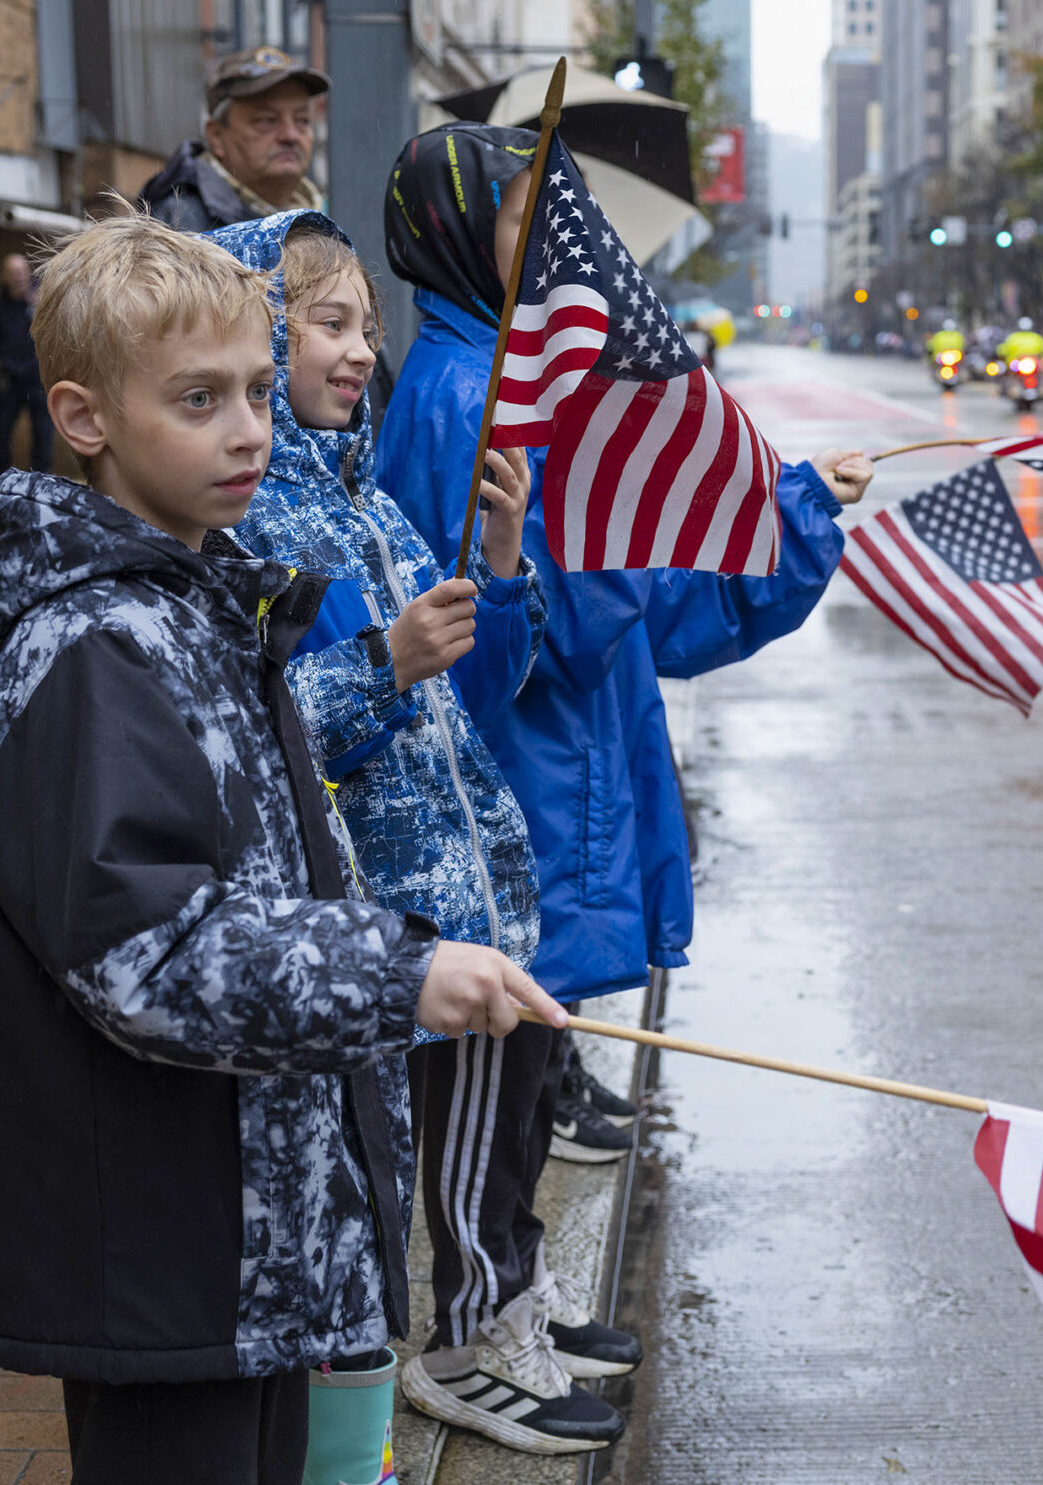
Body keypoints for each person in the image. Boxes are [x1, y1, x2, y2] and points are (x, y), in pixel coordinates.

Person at [0, 208, 563, 1485]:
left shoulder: (195, 610)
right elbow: (144, 950)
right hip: (165, 1252)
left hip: (241, 1241)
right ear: (84, 416)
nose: (244, 430)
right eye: (196, 399)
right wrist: (396, 974)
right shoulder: (96, 650)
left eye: (251, 393)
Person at [375, 121, 872, 1454]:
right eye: (525, 220)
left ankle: (518, 1288)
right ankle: (473, 1331)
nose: (562, 249)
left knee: (529, 1071)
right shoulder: (454, 397)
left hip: (565, 777)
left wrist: (791, 522)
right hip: (507, 799)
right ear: (450, 229)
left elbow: (647, 609)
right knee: (489, 1067)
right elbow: (509, 639)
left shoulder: (522, 385)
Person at [211, 209, 636, 1455]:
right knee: (447, 1135)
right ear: (256, 335)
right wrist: (381, 664)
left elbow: (477, 686)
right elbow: (261, 732)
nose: (359, 352)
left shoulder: (373, 508)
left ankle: (511, 1299)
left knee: (504, 1122)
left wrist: (501, 571)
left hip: (480, 889)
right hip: (403, 909)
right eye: (327, 325)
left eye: (364, 326)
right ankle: (465, 1339)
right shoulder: (252, 525)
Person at [139, 46, 328, 232]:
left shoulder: (316, 217)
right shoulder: (181, 225)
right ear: (216, 136)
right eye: (266, 121)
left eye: (302, 121)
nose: (290, 135)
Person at [0, 252, 52, 479]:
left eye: (22, 273)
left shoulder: (39, 301)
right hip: (11, 379)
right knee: (1, 432)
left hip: (37, 379)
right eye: (13, 274)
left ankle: (41, 478)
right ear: (4, 277)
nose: (18, 278)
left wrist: (37, 306)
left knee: (43, 433)